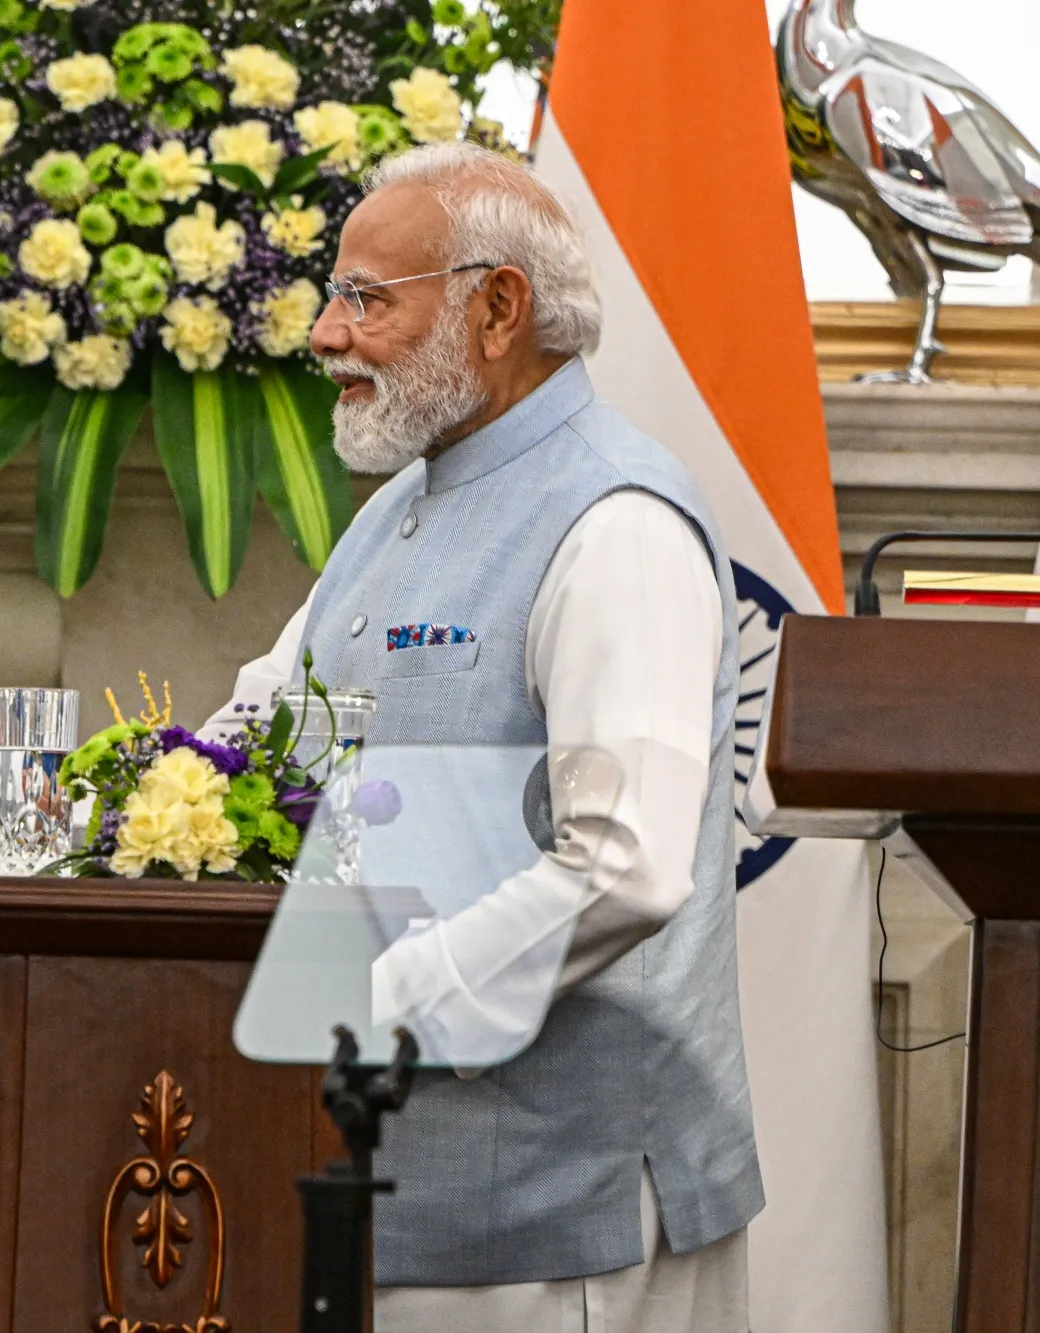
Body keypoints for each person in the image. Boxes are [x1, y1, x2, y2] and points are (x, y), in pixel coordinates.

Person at [210, 143, 762, 1331]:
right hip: (386, 1202)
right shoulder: (396, 513)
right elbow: (239, 748)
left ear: (496, 306)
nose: (324, 332)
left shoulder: (615, 516)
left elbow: (623, 863)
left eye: (365, 297)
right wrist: (5, 816)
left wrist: (374, 994)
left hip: (556, 1221)